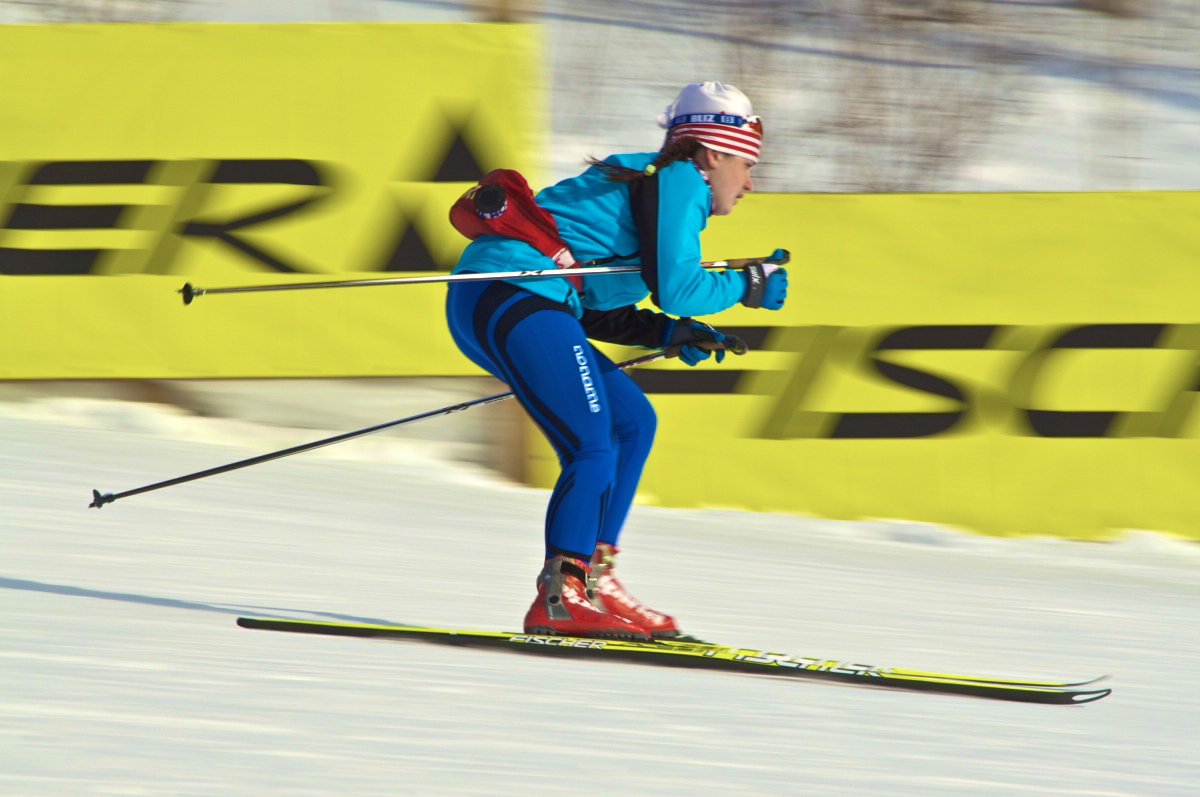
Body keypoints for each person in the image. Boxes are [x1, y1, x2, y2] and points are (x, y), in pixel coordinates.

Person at [444, 82, 788, 641]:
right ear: (714, 153)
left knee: (632, 422)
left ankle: (593, 580)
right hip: (513, 294)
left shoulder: (657, 183)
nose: (749, 182)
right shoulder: (679, 178)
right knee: (591, 443)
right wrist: (748, 283)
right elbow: (677, 286)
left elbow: (597, 305)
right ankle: (561, 596)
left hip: (507, 299)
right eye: (747, 164)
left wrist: (663, 330)